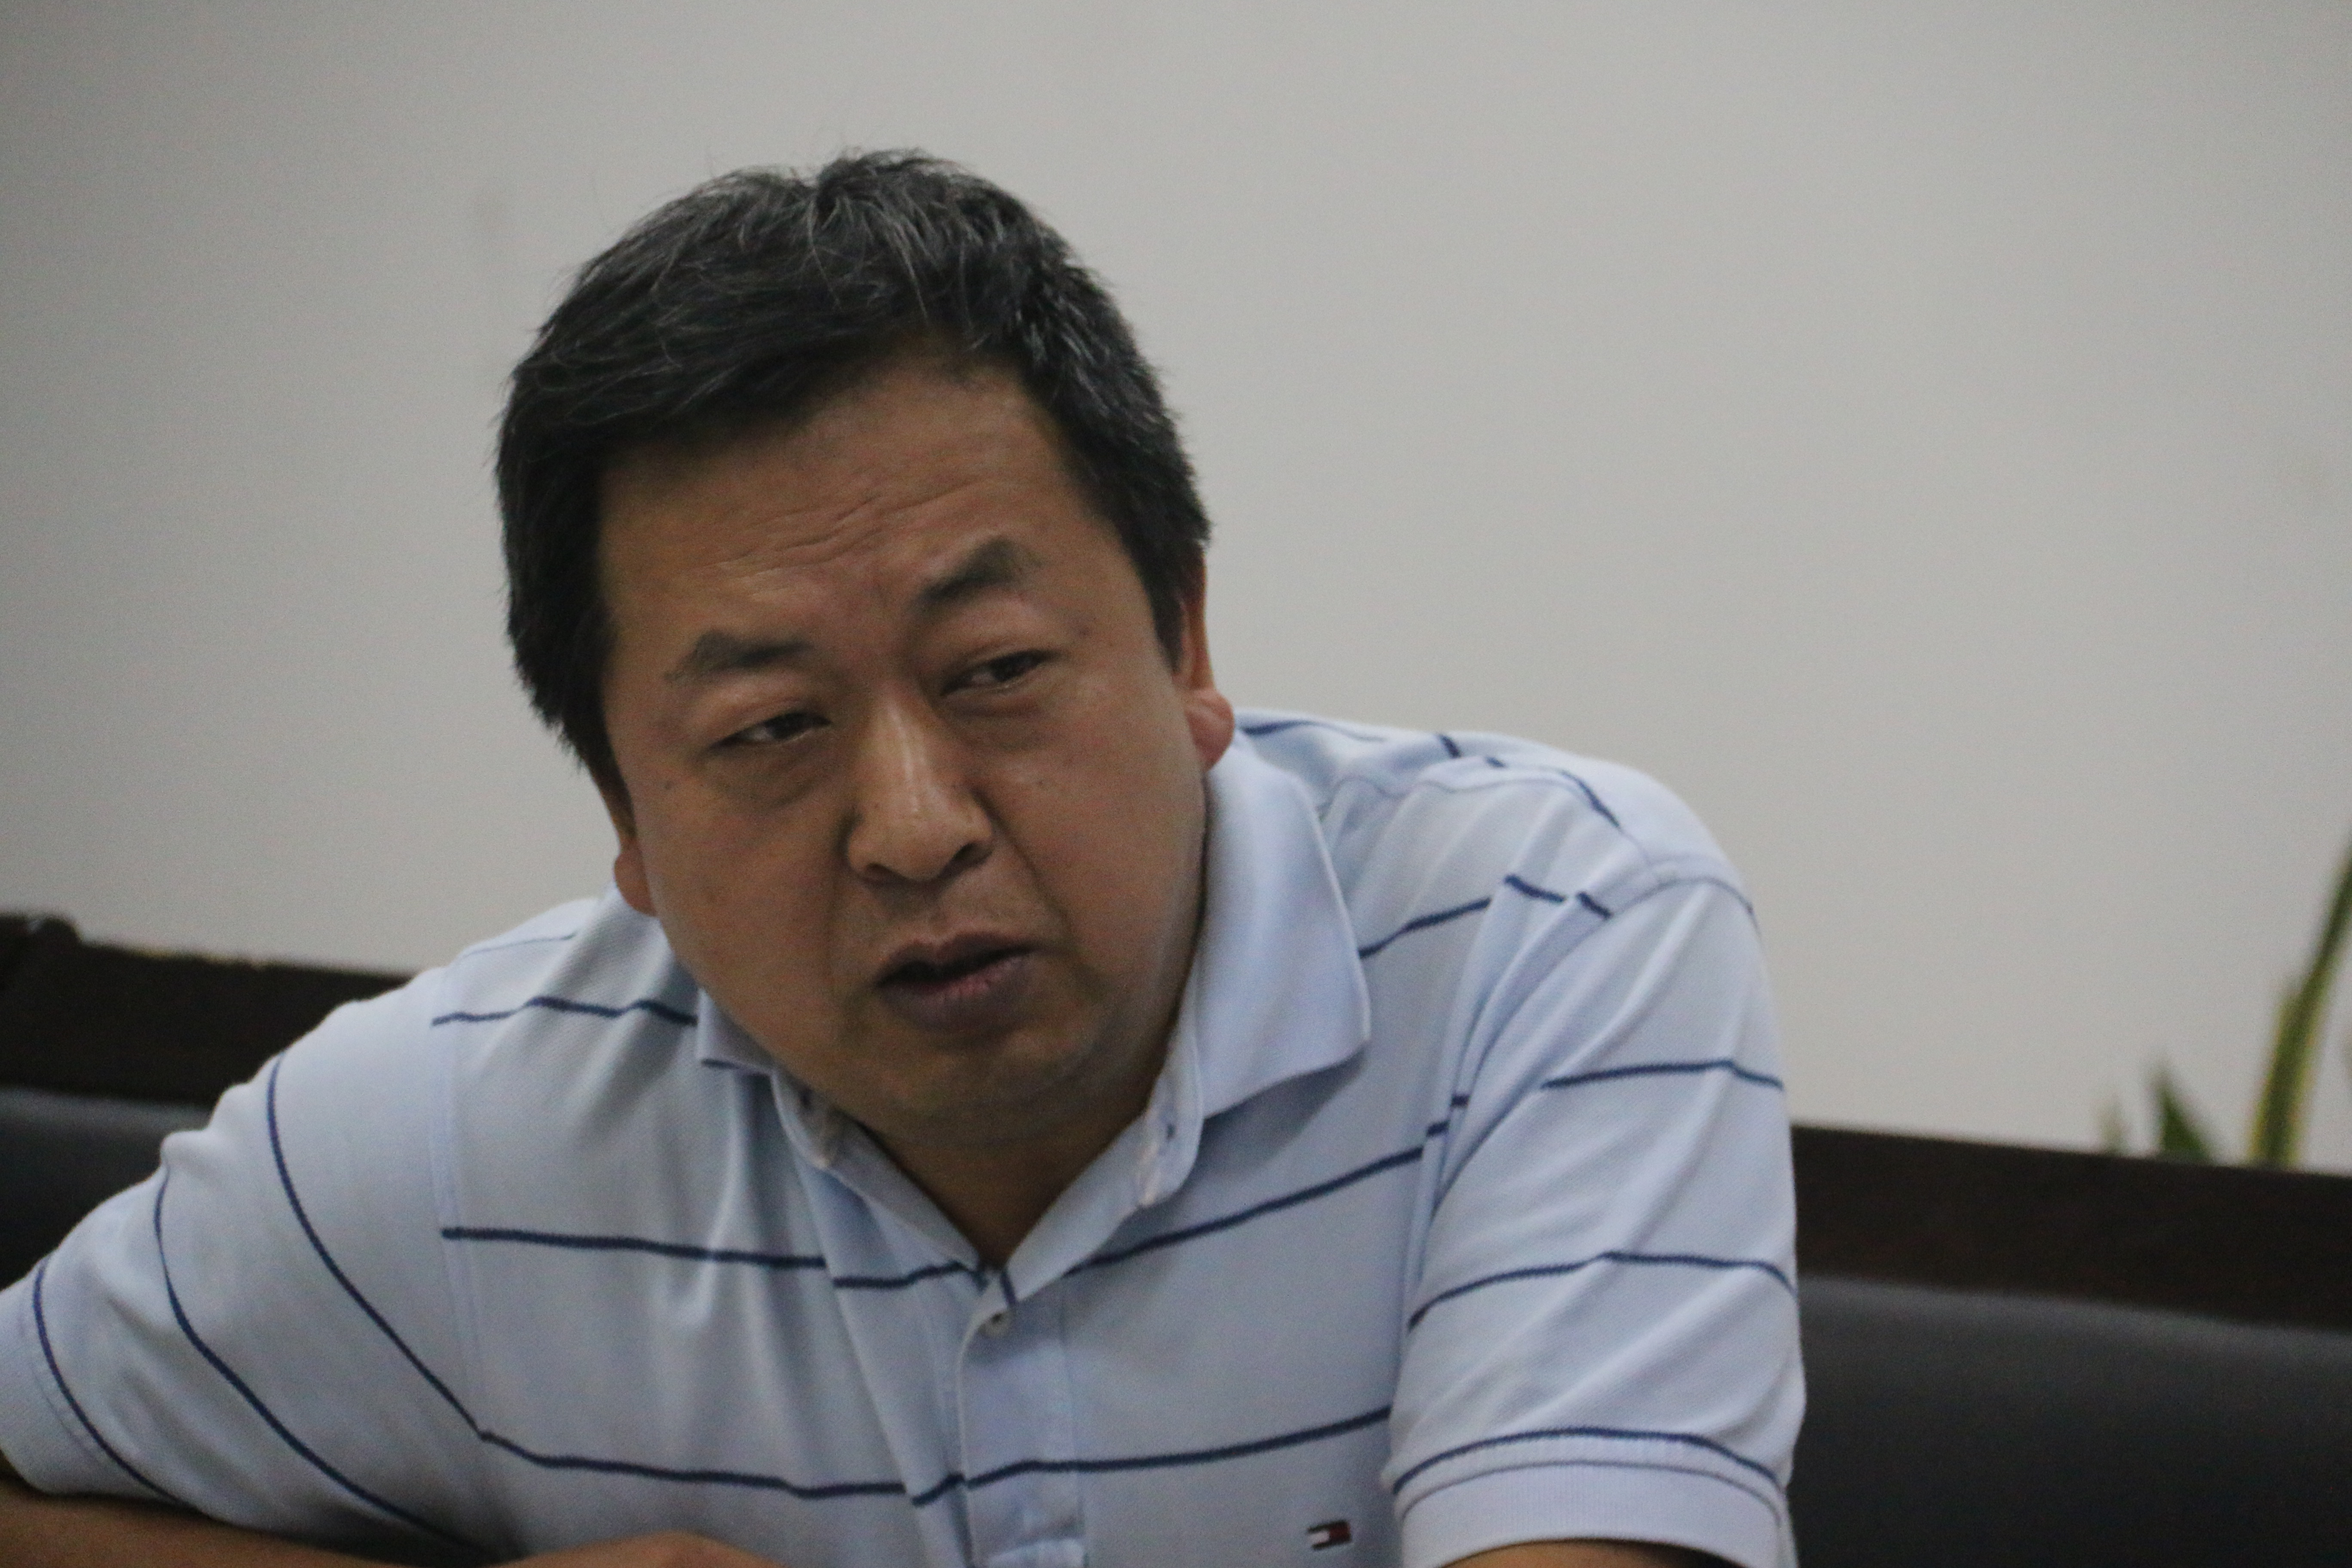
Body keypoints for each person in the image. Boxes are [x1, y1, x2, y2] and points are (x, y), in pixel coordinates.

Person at [0, 153, 1801, 1568]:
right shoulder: (452, 1135)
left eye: (995, 671)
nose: (917, 825)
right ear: (625, 818)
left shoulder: (1546, 932)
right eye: (770, 729)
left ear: (1184, 644)